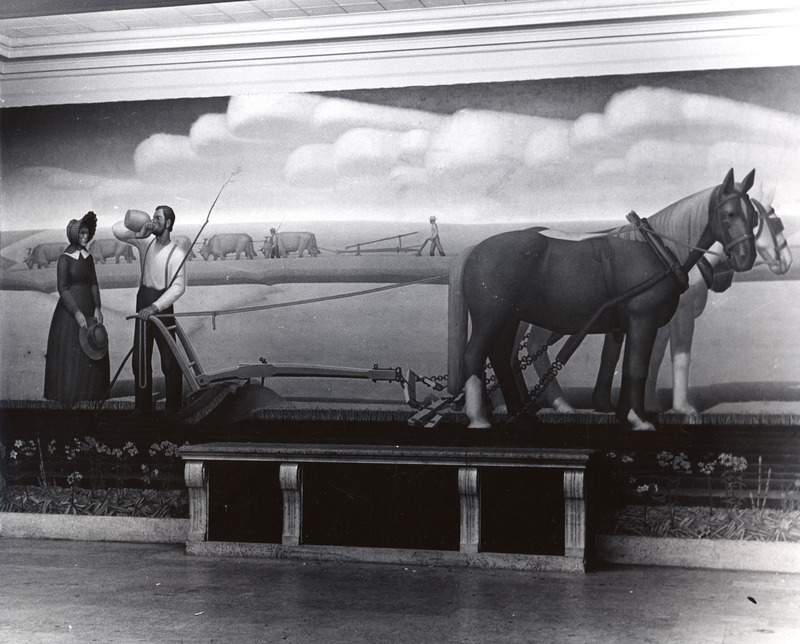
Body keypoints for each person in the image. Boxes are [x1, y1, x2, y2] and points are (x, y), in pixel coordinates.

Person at [113, 206, 187, 416]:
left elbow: (179, 287)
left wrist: (155, 307)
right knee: (140, 360)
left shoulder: (177, 253)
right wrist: (139, 231)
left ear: (169, 223)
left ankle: (173, 409)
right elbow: (116, 229)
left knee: (169, 361)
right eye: (153, 217)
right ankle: (142, 408)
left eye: (157, 218)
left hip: (162, 306)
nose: (153, 221)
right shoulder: (145, 241)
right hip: (143, 300)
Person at [44, 212, 110, 405]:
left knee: (93, 347)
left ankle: (92, 396)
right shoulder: (64, 259)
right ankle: (69, 398)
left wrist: (97, 307)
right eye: (81, 233)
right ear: (74, 235)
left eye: (87, 233)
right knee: (71, 352)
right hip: (69, 311)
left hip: (89, 307)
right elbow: (62, 288)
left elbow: (94, 283)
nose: (85, 237)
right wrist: (77, 312)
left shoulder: (88, 257)